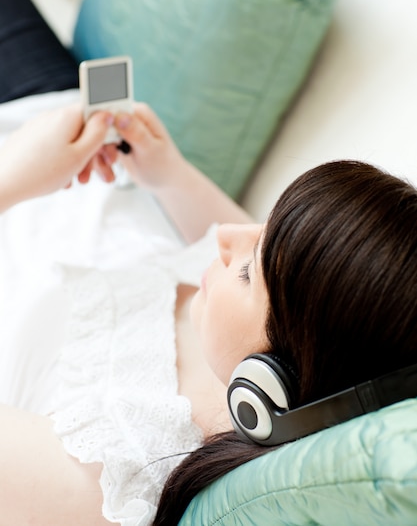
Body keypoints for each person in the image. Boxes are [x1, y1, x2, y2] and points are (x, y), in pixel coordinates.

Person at [1, 99, 417, 526]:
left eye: (247, 272)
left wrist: (14, 174)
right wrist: (168, 173)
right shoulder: (242, 331)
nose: (227, 235)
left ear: (270, 381)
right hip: (73, 175)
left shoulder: (114, 474)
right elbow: (255, 259)